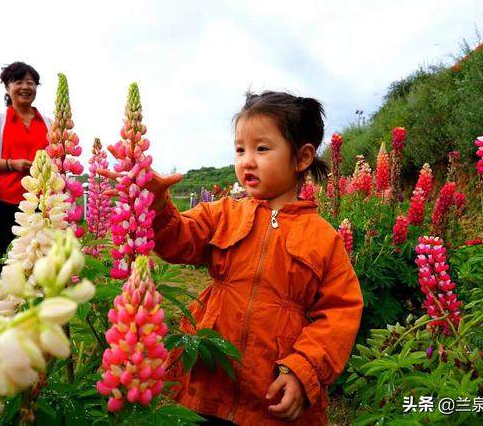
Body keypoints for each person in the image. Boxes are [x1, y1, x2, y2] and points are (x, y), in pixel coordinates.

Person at [144, 91, 364, 425]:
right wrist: (159, 208)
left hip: (272, 399)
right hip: (207, 382)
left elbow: (340, 313)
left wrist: (303, 371)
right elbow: (178, 241)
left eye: (261, 149)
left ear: (302, 158)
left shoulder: (323, 238)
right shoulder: (224, 213)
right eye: (239, 149)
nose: (247, 160)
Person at [0, 62, 52, 264]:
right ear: (7, 87)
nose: (25, 87)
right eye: (18, 82)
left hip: (42, 204)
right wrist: (10, 164)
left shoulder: (50, 123)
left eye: (31, 82)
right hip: (4, 203)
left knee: (38, 261)